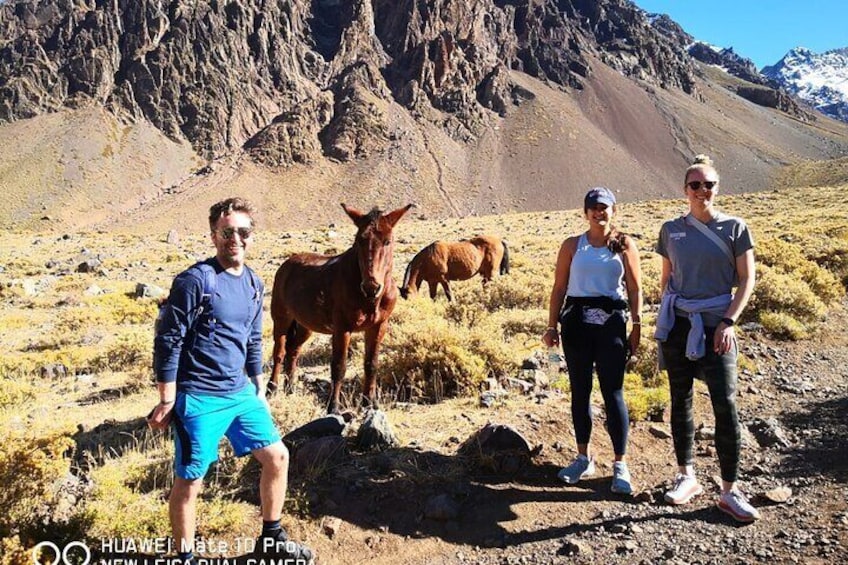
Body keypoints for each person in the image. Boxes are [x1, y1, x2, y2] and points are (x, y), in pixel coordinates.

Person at [148, 198, 313, 564]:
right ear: (213, 236)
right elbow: (168, 339)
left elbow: (253, 338)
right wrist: (167, 398)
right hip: (199, 397)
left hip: (241, 393)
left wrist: (258, 388)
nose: (234, 239)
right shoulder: (196, 281)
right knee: (190, 480)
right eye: (227, 232)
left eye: (242, 232)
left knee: (277, 457)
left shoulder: (253, 281)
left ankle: (271, 540)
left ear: (251, 236)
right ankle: (184, 556)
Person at [655, 155, 759, 523]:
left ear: (717, 188)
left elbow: (747, 279)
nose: (703, 191)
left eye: (709, 185)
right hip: (680, 326)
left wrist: (728, 321)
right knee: (679, 399)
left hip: (718, 325)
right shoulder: (671, 230)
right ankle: (687, 477)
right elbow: (667, 279)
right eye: (695, 185)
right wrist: (665, 316)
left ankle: (729, 491)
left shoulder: (735, 227)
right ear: (685, 190)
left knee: (725, 405)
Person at [542, 187, 642, 495]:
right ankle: (583, 457)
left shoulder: (624, 245)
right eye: (593, 208)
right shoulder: (572, 246)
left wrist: (637, 326)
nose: (599, 212)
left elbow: (635, 289)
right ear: (585, 212)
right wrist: (551, 324)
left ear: (614, 210)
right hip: (576, 324)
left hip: (611, 324)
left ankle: (620, 464)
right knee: (580, 392)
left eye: (604, 207)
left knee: (613, 393)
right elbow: (559, 287)